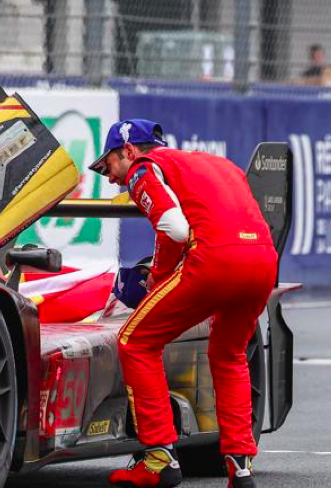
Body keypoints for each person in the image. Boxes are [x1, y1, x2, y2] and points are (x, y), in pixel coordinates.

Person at [89, 119, 277, 488]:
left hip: (216, 261)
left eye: (108, 166)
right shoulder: (217, 164)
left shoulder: (144, 169)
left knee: (135, 341)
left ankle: (159, 459)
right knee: (229, 353)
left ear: (128, 151)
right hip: (263, 262)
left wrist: (157, 275)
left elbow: (174, 228)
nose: (110, 178)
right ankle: (240, 467)